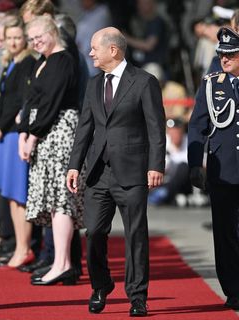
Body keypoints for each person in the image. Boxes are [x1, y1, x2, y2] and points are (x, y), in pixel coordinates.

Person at [67, 27, 166, 316]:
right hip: (98, 172)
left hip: (133, 171)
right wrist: (74, 165)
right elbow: (85, 127)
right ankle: (101, 284)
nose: (90, 52)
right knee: (94, 231)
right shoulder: (94, 83)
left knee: (136, 234)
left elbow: (155, 127)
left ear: (113, 50)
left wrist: (155, 166)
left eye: (95, 47)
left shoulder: (144, 82)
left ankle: (137, 296)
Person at [19, 15, 85, 286]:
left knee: (60, 199)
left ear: (53, 33)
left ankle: (62, 263)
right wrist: (24, 132)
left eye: (39, 37)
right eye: (31, 39)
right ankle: (62, 263)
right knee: (53, 199)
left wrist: (31, 136)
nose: (35, 43)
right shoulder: (42, 61)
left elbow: (51, 104)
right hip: (42, 133)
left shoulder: (63, 60)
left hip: (57, 133)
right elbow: (32, 100)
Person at [188, 26, 239, 311]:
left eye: (231, 53)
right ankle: (234, 289)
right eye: (222, 53)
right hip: (223, 170)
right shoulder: (211, 84)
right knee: (225, 232)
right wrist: (195, 163)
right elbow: (197, 126)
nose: (225, 58)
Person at [0, 15, 36, 268]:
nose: (14, 41)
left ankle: (23, 247)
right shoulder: (12, 61)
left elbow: (19, 101)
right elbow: (3, 99)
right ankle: (19, 246)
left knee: (19, 195)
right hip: (4, 133)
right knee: (10, 195)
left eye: (18, 37)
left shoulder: (27, 62)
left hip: (14, 132)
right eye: (10, 38)